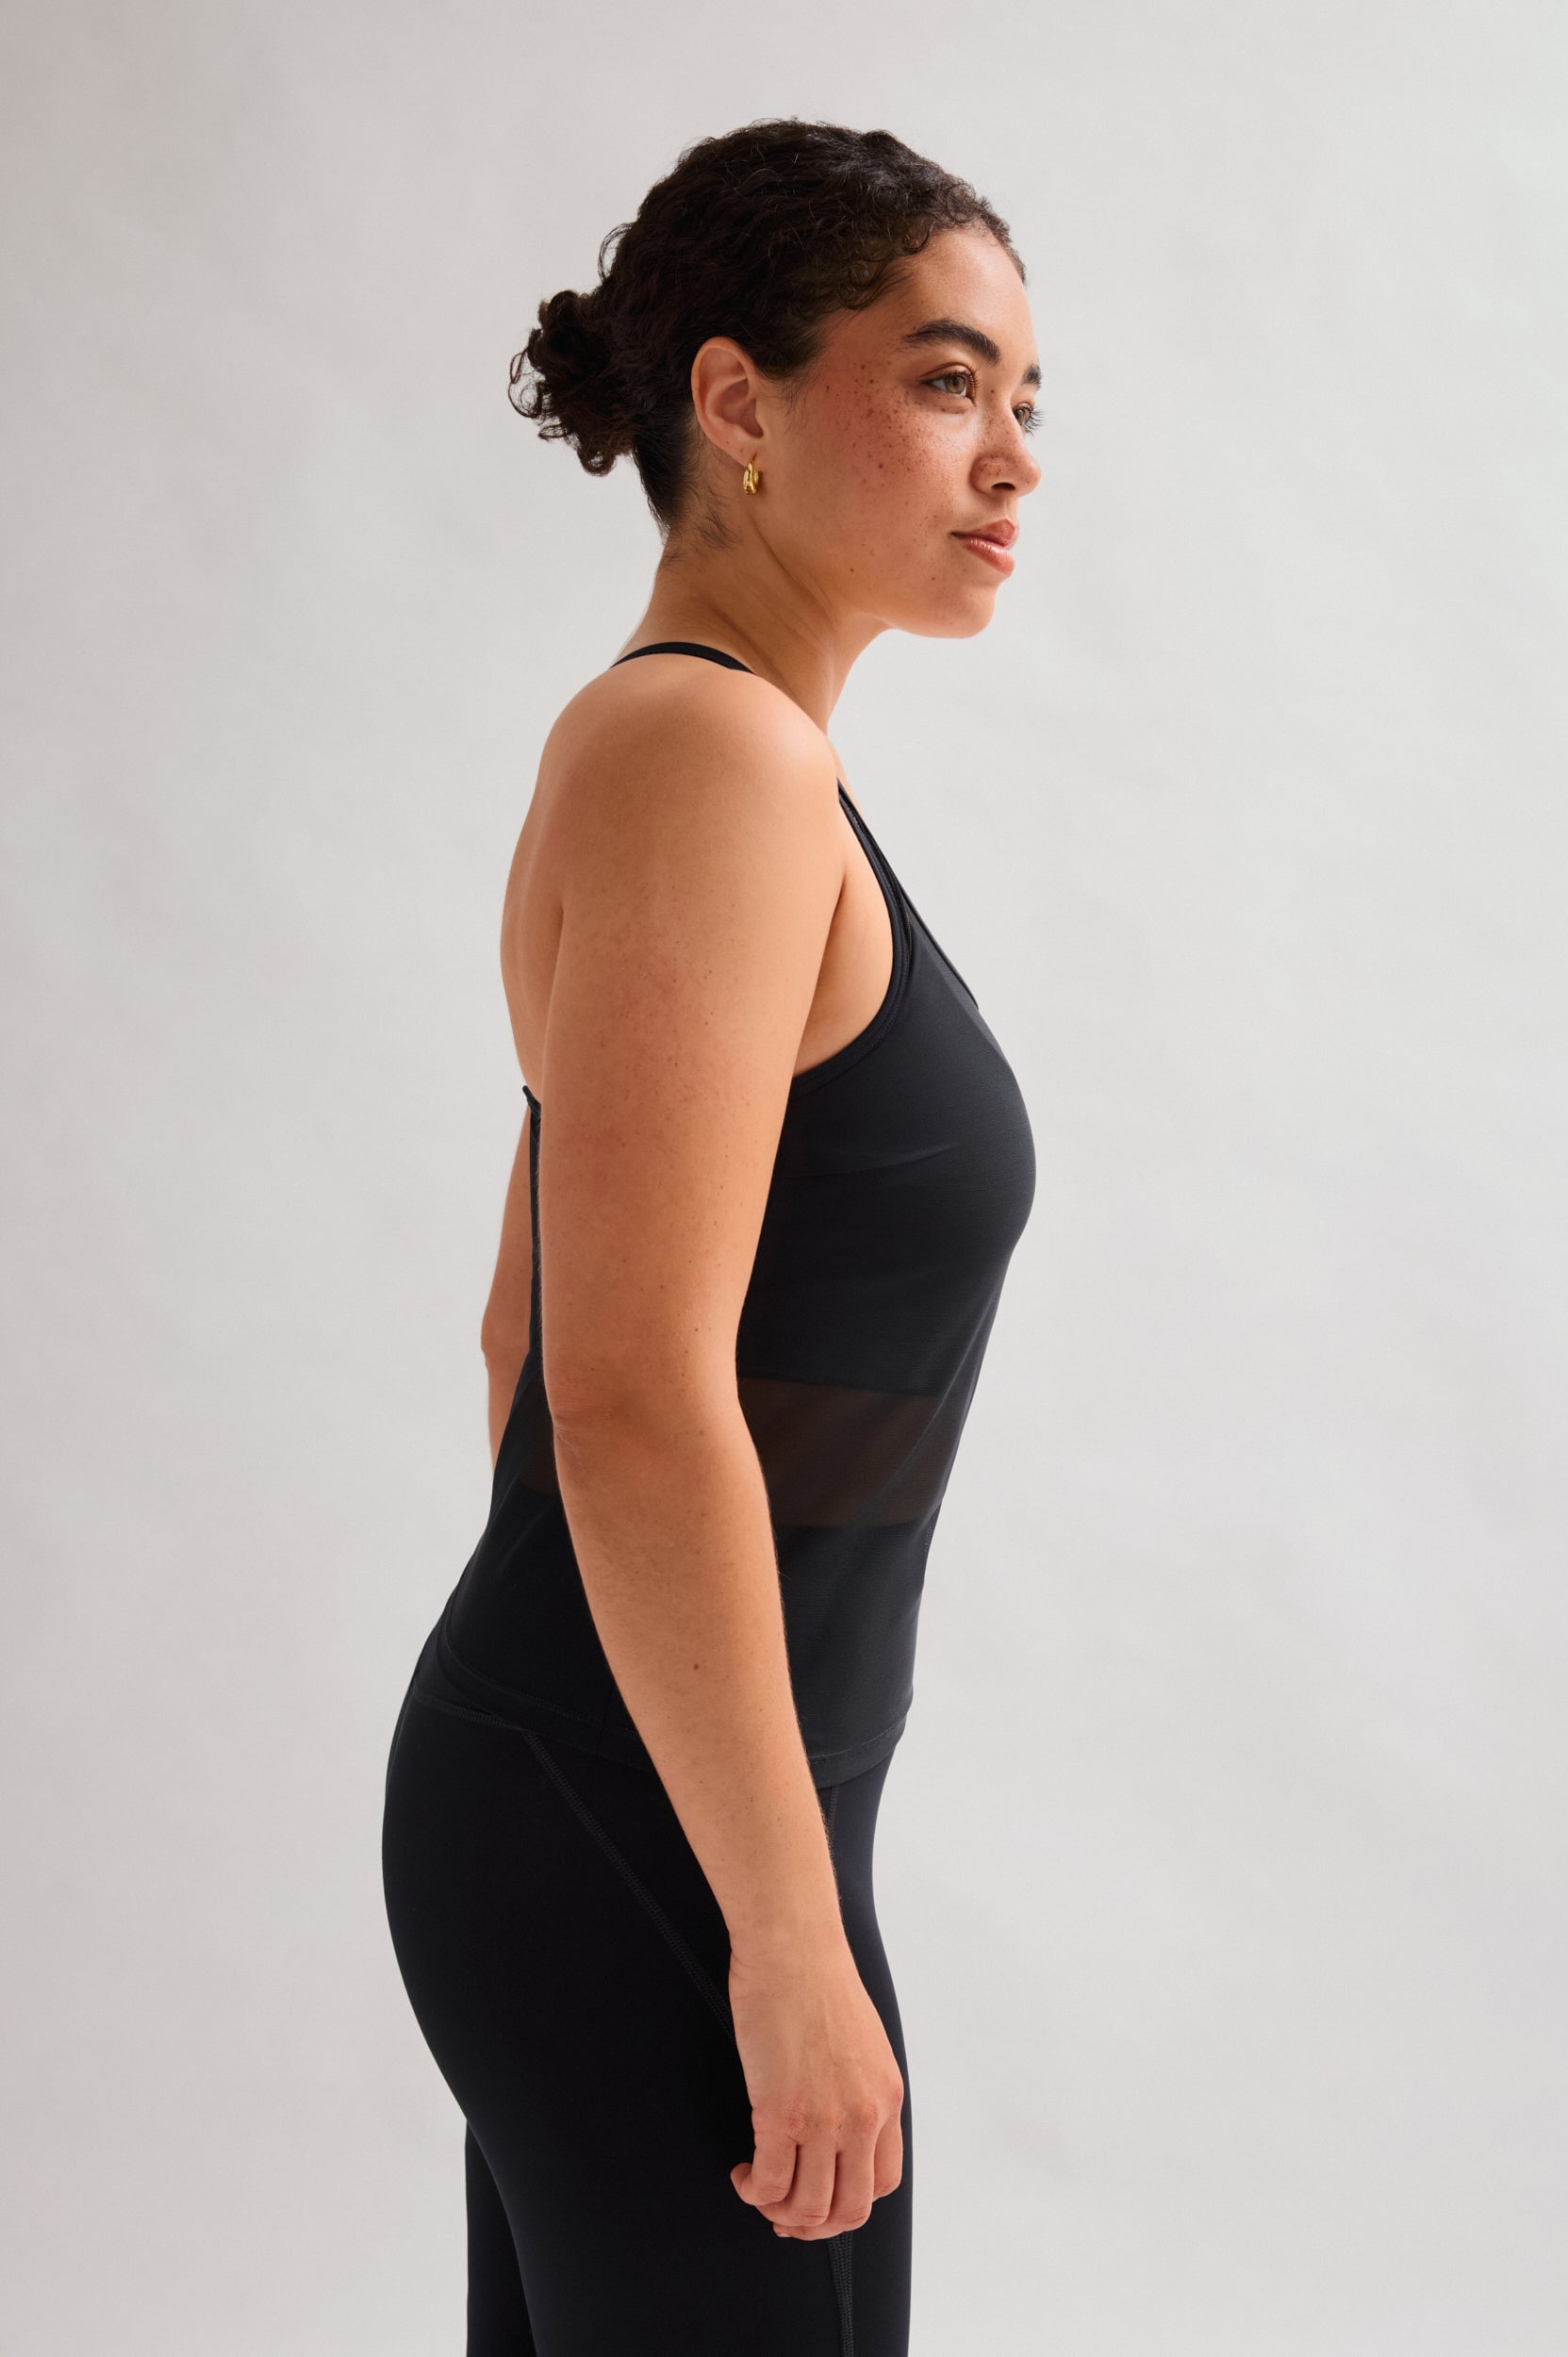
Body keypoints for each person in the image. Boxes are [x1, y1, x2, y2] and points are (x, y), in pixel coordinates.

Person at [381, 117, 1042, 2356]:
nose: (1011, 456)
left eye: (1024, 399)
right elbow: (624, 1384)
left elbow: (520, 1322)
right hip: (652, 1834)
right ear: (738, 402)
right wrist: (771, 1921)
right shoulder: (711, 761)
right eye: (945, 381)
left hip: (622, 1805)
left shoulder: (715, 757)